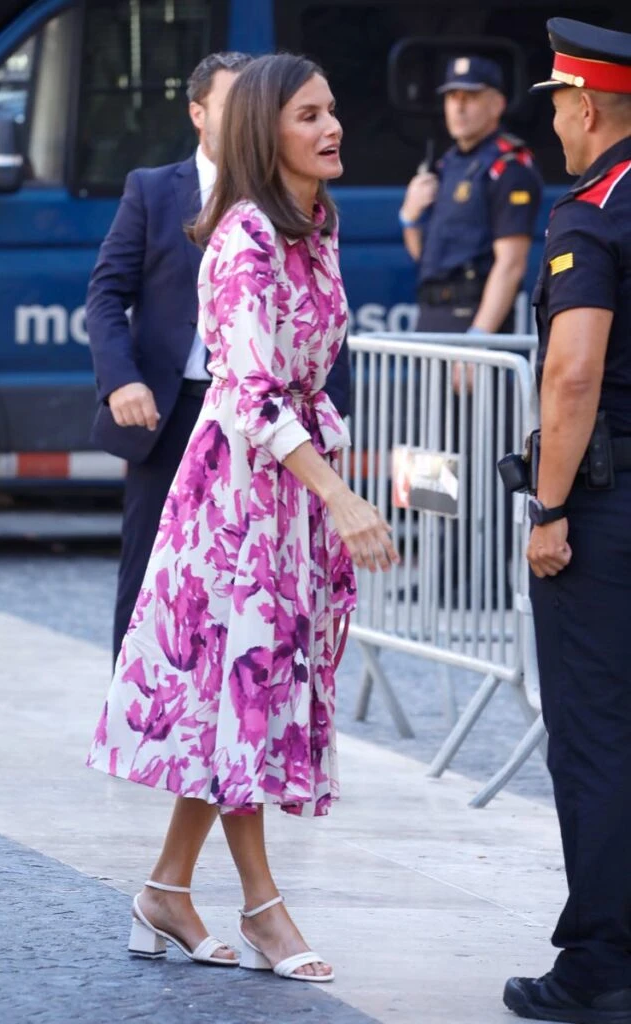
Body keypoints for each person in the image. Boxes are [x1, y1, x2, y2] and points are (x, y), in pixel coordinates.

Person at [87, 53, 398, 983]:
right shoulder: (245, 236)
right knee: (246, 692)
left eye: (331, 109)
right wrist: (340, 495)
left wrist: (325, 485)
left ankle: (166, 890)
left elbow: (312, 374)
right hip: (236, 501)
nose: (332, 126)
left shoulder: (318, 224)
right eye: (308, 114)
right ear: (266, 130)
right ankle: (264, 907)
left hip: (287, 494)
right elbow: (253, 396)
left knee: (235, 703)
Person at [86, 50, 354, 666]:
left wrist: (330, 420)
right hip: (171, 409)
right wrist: (121, 380)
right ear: (199, 114)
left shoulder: (313, 216)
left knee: (270, 606)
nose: (242, 117)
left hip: (275, 431)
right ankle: (147, 697)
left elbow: (321, 327)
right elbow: (106, 294)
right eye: (233, 104)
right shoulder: (160, 192)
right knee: (162, 580)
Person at [502, 18, 631, 1024]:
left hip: (609, 513)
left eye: (557, 106)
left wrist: (548, 508)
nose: (552, 124)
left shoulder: (591, 214)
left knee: (594, 734)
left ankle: (601, 962)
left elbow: (573, 372)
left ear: (585, 106)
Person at [400, 55, 542, 340]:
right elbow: (429, 259)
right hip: (432, 313)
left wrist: (478, 339)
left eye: (471, 97)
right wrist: (409, 218)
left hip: (472, 317)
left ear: (497, 105)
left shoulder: (508, 167)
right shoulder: (448, 164)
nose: (459, 107)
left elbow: (511, 264)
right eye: (452, 97)